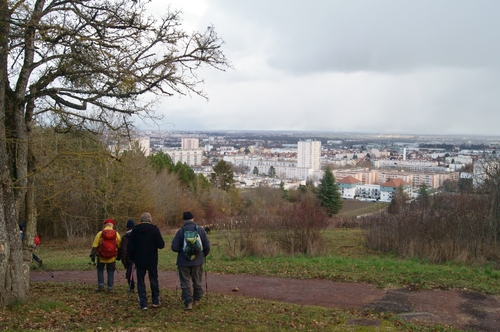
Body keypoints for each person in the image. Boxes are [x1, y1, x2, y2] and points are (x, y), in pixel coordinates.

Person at [171, 211, 211, 310]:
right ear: (193, 219)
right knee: (197, 281)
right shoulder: (200, 230)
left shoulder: (181, 231)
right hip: (197, 261)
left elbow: (174, 247)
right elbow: (207, 245)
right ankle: (196, 300)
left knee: (185, 283)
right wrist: (202, 255)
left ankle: (188, 303)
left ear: (183, 220)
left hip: (183, 262)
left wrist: (182, 251)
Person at [127, 212, 165, 310]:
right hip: (152, 259)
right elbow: (161, 245)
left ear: (141, 220)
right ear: (150, 220)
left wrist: (131, 258)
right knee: (153, 279)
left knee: (141, 281)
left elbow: (130, 247)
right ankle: (155, 300)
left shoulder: (135, 230)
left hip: (139, 260)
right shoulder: (154, 230)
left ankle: (143, 303)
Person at [89, 219, 121, 292]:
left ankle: (101, 286)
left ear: (105, 225)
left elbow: (95, 245)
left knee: (100, 270)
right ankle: (110, 288)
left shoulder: (100, 233)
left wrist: (92, 255)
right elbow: (119, 246)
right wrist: (119, 256)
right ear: (112, 225)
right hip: (112, 257)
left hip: (101, 256)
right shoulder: (116, 234)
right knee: (110, 271)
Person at [119, 219, 135, 291]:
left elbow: (124, 250)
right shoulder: (137, 235)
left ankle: (131, 287)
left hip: (129, 257)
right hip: (138, 257)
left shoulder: (124, 237)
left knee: (129, 272)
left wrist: (124, 260)